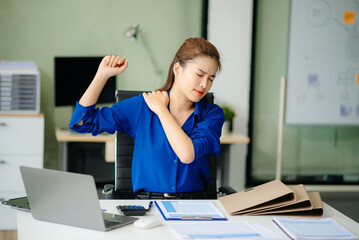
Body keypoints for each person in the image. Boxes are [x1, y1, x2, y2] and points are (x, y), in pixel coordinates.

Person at [69, 37, 225, 199]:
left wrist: (161, 110)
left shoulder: (212, 115)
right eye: (199, 74)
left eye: (211, 79)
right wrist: (102, 76)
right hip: (148, 205)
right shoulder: (142, 107)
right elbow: (81, 123)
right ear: (177, 69)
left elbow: (187, 154)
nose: (204, 85)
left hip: (196, 207)